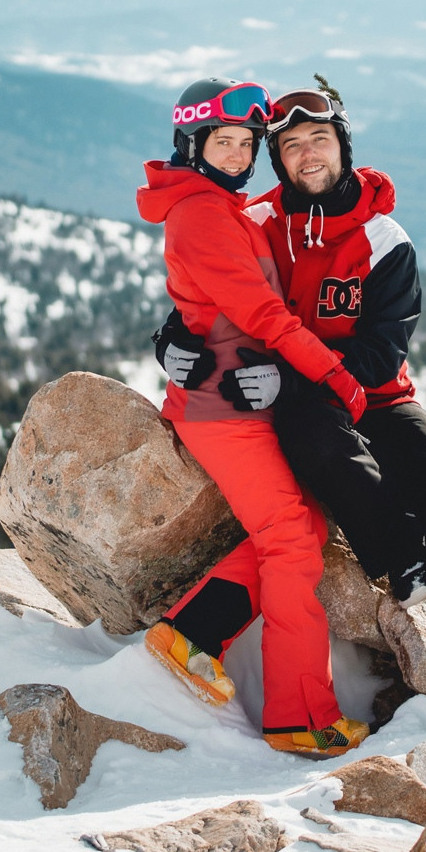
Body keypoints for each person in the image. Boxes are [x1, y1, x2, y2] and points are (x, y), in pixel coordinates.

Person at [159, 78, 426, 701]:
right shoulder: (259, 221)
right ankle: (401, 561)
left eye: (320, 138)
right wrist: (170, 338)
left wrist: (292, 373)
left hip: (376, 394)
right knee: (314, 439)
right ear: (278, 160)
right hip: (296, 401)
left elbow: (381, 353)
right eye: (291, 145)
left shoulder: (384, 240)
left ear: (343, 147)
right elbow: (208, 279)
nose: (308, 154)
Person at [135, 76, 371, 759]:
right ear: (192, 144)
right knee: (291, 542)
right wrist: (336, 375)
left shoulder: (222, 205)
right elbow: (262, 314)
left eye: (246, 143)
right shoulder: (202, 214)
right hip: (221, 411)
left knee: (306, 523)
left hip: (242, 403)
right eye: (225, 142)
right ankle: (301, 715)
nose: (239, 155)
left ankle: (192, 635)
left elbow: (209, 299)